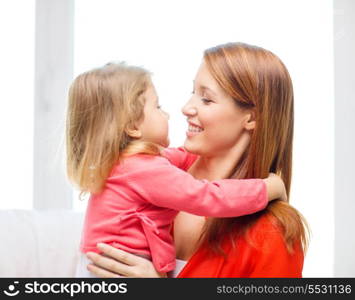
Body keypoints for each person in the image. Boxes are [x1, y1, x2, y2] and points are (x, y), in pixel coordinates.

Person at [84, 42, 309, 278]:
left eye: (207, 99)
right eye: (193, 92)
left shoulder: (272, 233)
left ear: (251, 118)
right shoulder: (153, 190)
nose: (186, 108)